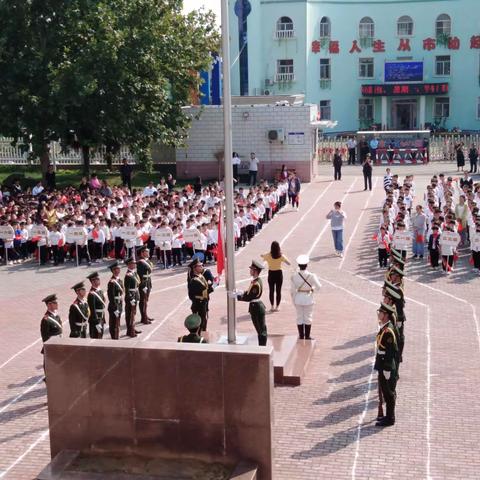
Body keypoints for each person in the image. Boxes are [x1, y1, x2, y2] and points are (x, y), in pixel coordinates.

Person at [374, 302, 398, 427]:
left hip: (386, 366)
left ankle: (390, 418)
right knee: (386, 392)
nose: (379, 314)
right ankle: (388, 416)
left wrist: (387, 369)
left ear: (386, 315)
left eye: (381, 313)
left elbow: (390, 352)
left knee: (389, 393)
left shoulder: (388, 331)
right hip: (382, 364)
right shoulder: (385, 327)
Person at [234, 260, 267, 346]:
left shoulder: (256, 284)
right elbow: (249, 293)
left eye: (251, 269)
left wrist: (238, 296)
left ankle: (262, 348)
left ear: (255, 271)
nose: (250, 271)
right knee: (260, 329)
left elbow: (250, 297)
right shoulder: (256, 281)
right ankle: (262, 346)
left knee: (261, 330)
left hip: (256, 307)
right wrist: (241, 292)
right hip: (256, 306)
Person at [290, 254, 321, 340]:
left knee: (299, 317)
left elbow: (292, 290)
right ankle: (307, 336)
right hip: (308, 298)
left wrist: (293, 299)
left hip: (298, 298)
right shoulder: (312, 275)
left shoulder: (294, 276)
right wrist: (312, 289)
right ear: (307, 265)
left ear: (298, 265)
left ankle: (301, 335)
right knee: (308, 317)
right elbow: (319, 287)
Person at [261, 241, 291, 312]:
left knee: (271, 290)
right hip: (279, 274)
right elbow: (289, 263)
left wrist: (263, 255)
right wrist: (283, 256)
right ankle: (277, 307)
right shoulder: (281, 255)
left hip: (271, 273)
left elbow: (262, 256)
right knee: (278, 291)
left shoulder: (268, 255)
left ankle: (272, 306)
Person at [40, 294, 63, 379]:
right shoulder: (46, 320)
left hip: (58, 344)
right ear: (49, 305)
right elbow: (45, 337)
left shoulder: (56, 316)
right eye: (54, 303)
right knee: (50, 364)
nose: (56, 304)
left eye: (56, 302)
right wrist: (49, 348)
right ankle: (49, 378)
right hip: (52, 346)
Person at [187, 257, 211, 332]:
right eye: (199, 266)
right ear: (195, 268)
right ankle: (199, 337)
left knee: (204, 320)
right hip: (198, 304)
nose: (202, 267)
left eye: (202, 265)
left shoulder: (200, 276)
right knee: (199, 323)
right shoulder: (195, 280)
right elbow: (205, 291)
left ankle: (203, 334)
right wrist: (213, 286)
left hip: (202, 302)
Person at [137, 245, 154, 324]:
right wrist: (143, 285)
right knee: (143, 301)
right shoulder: (140, 262)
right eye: (146, 252)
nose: (148, 253)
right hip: (144, 284)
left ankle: (145, 315)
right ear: (142, 253)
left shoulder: (146, 261)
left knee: (146, 300)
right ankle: (143, 318)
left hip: (148, 282)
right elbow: (140, 275)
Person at [124, 257, 141, 337]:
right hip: (131, 296)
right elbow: (127, 289)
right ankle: (130, 331)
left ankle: (132, 328)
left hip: (135, 294)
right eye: (133, 263)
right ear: (129, 265)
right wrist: (130, 298)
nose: (135, 264)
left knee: (133, 314)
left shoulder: (134, 273)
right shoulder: (128, 275)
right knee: (130, 314)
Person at [87, 271, 106, 339]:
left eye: (98, 279)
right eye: (97, 279)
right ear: (92, 282)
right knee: (96, 337)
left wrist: (103, 318)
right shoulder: (91, 294)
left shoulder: (99, 291)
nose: (99, 280)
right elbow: (92, 310)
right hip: (96, 320)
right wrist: (97, 322)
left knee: (100, 336)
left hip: (101, 317)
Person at [107, 261, 124, 339]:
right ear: (113, 271)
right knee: (114, 323)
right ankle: (114, 337)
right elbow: (111, 296)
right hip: (115, 305)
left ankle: (116, 336)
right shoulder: (112, 282)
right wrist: (114, 308)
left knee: (118, 322)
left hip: (119, 303)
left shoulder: (119, 280)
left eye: (118, 269)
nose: (118, 270)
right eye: (116, 269)